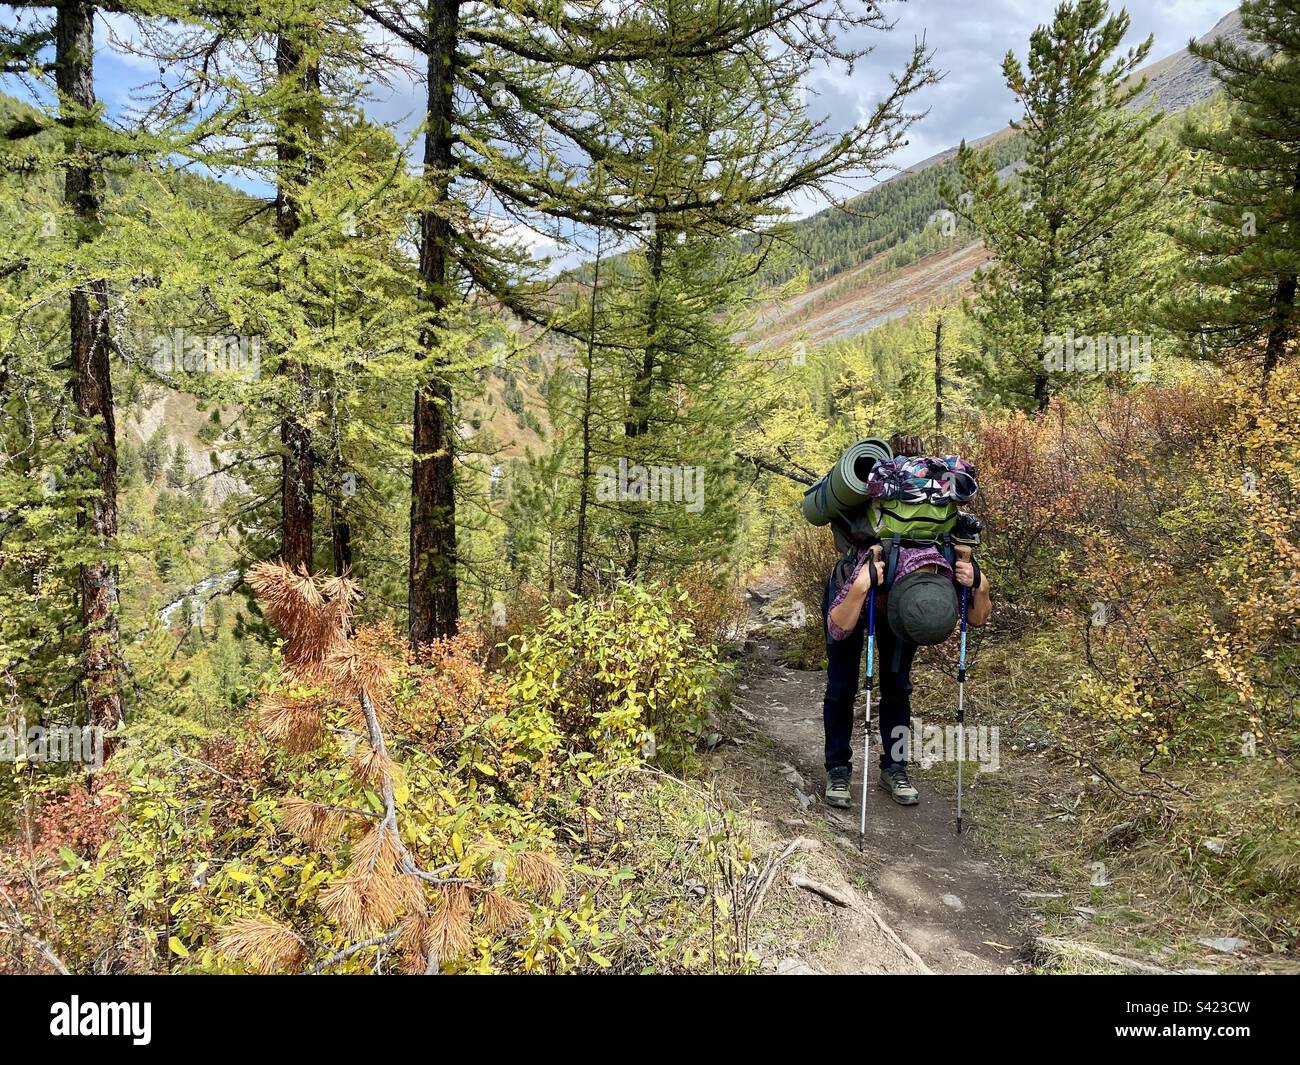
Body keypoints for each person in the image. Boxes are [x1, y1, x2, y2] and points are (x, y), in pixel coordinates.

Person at [820, 435, 992, 809]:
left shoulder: (951, 563)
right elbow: (838, 626)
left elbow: (978, 619)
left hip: (901, 615)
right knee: (842, 684)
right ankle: (837, 769)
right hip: (856, 597)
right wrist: (863, 585)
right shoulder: (872, 561)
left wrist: (980, 585)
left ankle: (894, 768)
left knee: (897, 687)